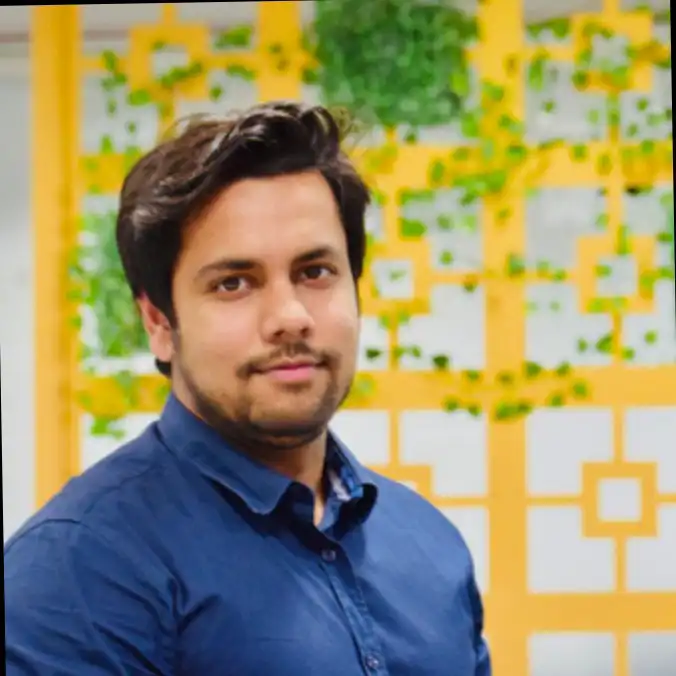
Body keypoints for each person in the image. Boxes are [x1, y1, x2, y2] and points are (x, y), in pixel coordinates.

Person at [5, 101, 491, 675]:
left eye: (315, 273)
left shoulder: (428, 544)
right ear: (159, 322)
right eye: (234, 283)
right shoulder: (78, 569)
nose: (290, 317)